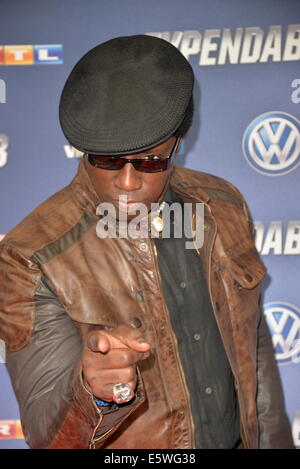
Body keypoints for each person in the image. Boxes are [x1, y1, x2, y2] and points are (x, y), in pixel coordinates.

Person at [0, 35, 294, 450]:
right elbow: (47, 436)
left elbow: (254, 354)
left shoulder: (223, 205)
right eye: (107, 160)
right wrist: (93, 393)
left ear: (177, 143)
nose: (126, 182)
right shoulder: (30, 255)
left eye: (151, 161)